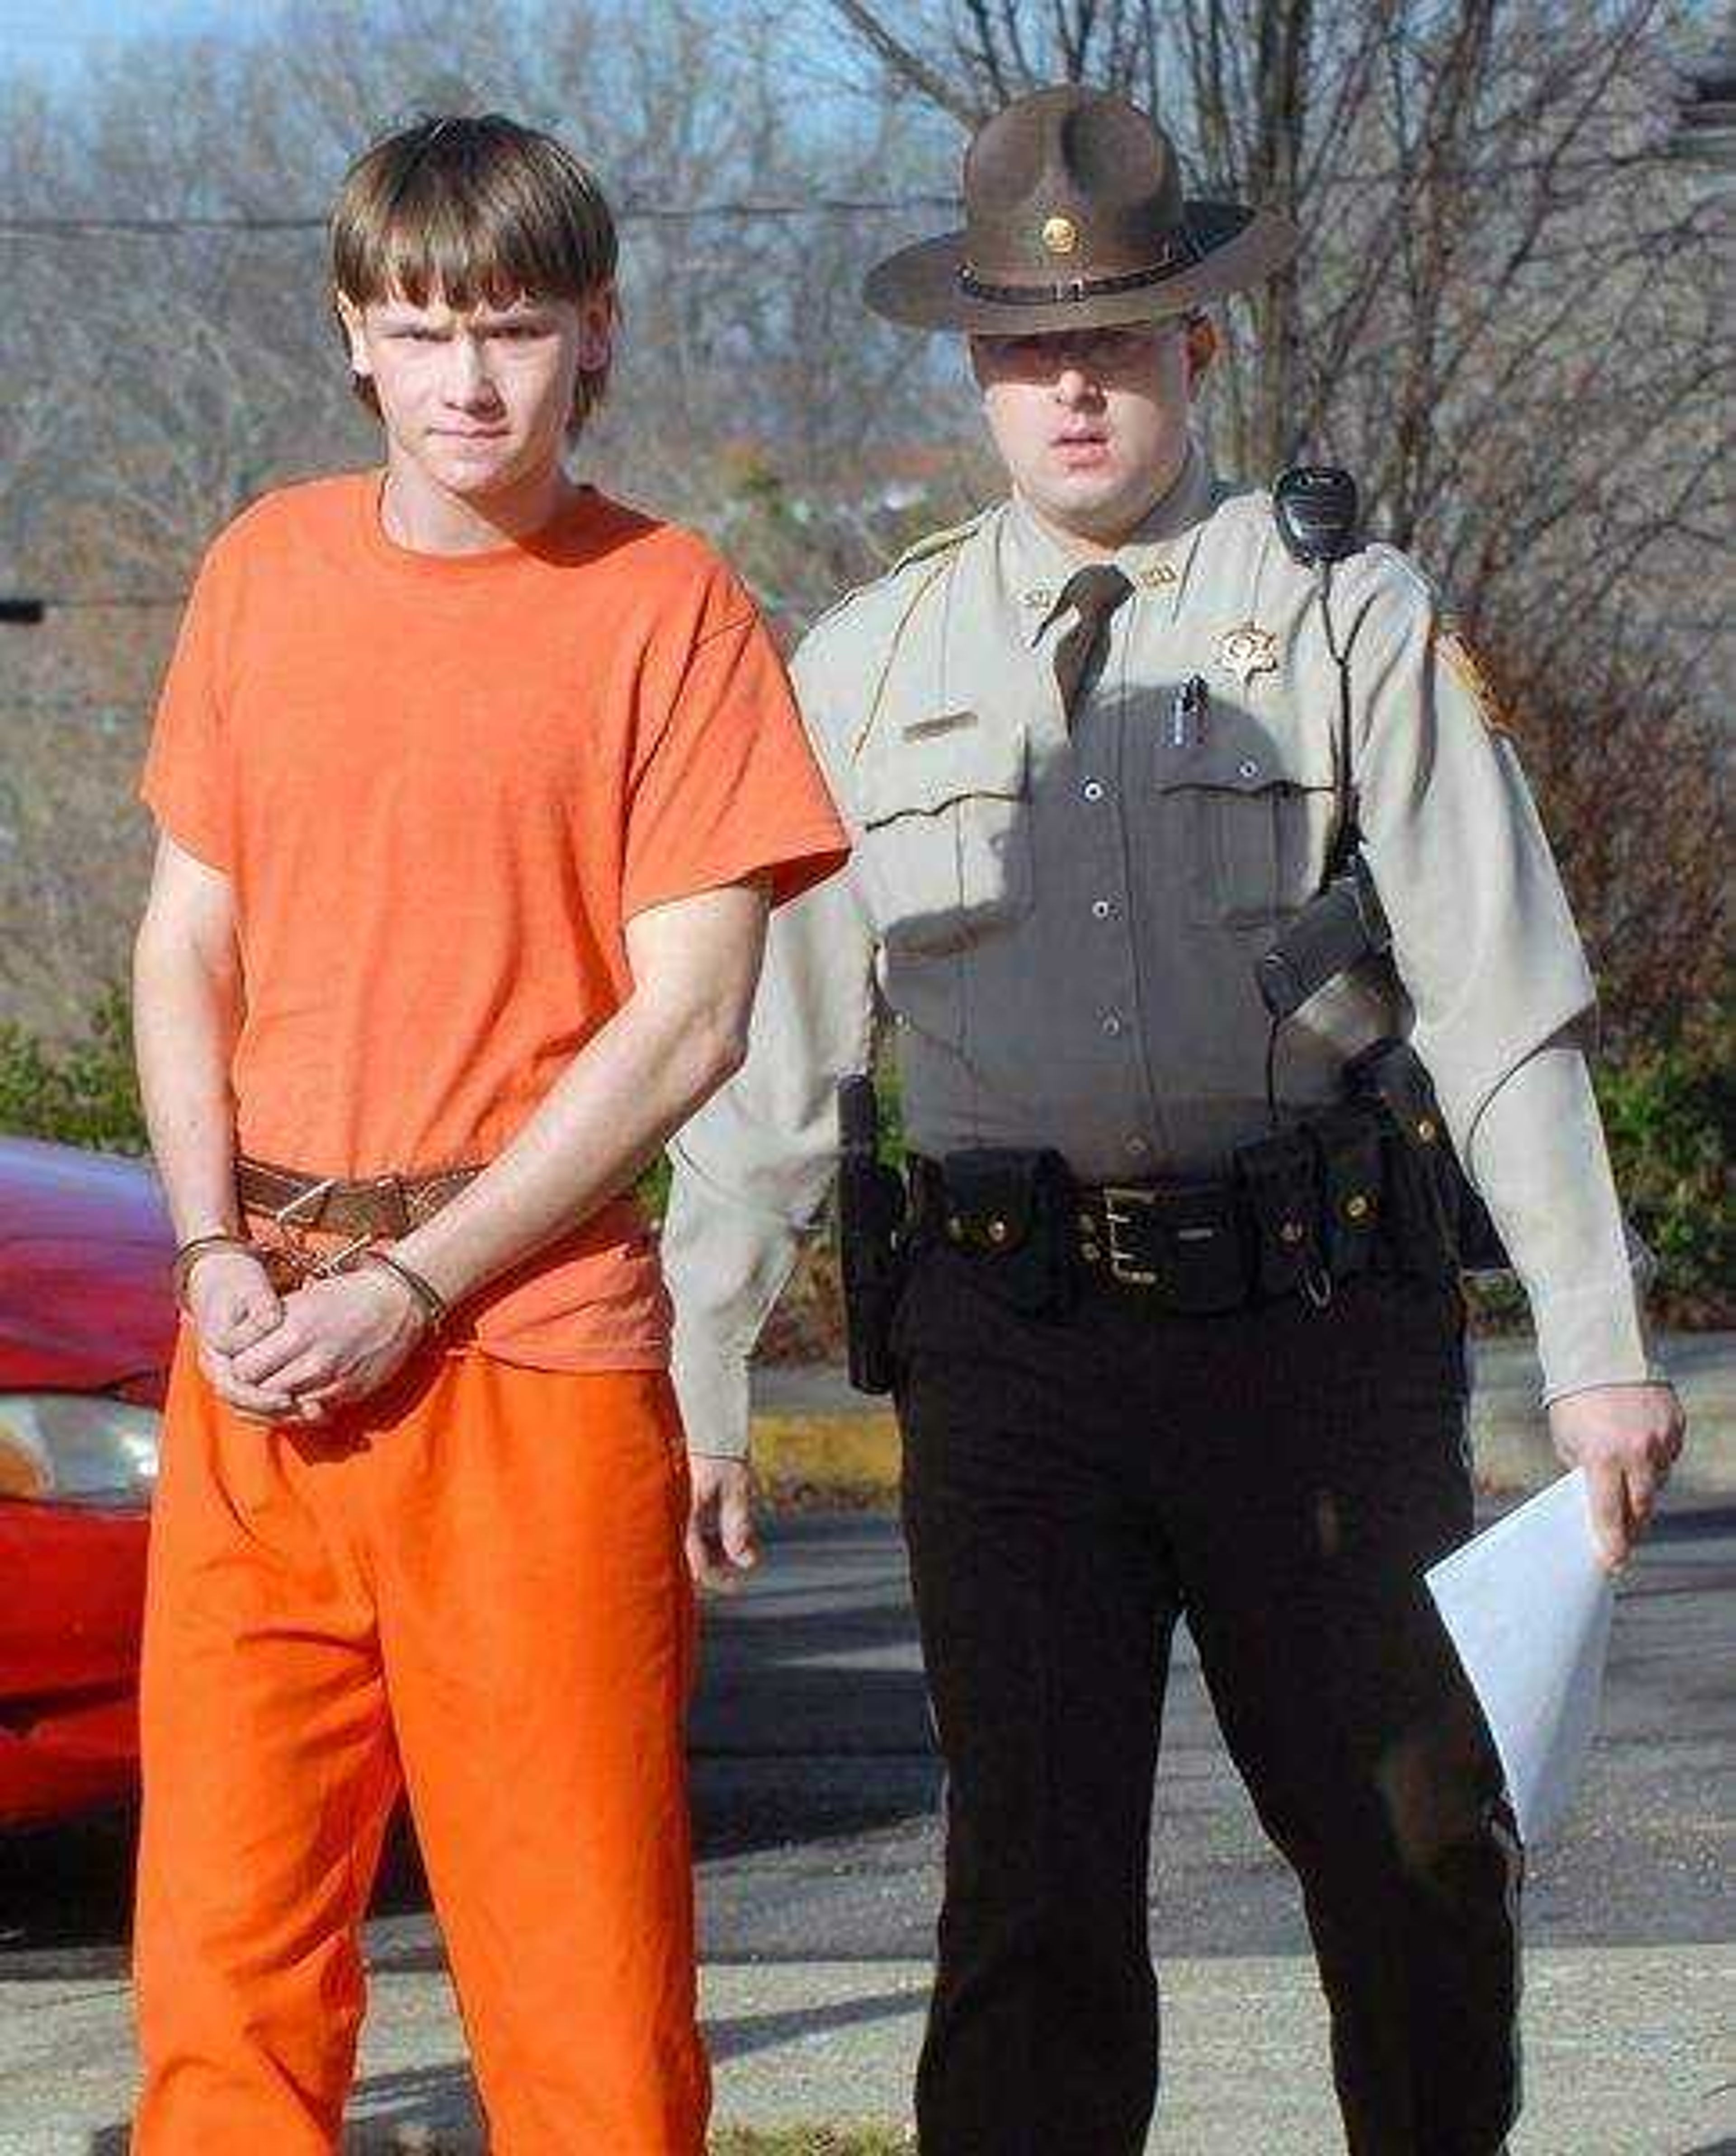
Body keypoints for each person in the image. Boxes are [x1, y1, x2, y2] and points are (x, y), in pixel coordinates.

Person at [662, 85, 1686, 2156]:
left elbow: (1501, 996)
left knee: (1411, 1846)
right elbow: (770, 1074)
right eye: (1030, 354)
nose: (1071, 392)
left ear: (1190, 350)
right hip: (1009, 1352)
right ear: (975, 370)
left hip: (1311, 1331)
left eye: (1113, 345)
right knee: (1028, 1900)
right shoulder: (859, 671)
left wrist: (1598, 1344)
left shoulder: (1350, 618)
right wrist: (699, 1377)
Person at [128, 111, 848, 2153]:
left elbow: (692, 1015)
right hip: (258, 1349)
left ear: (594, 332)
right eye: (424, 328)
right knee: (222, 1981)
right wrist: (206, 1256)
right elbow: (186, 946)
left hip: (527, 1344)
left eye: (516, 329)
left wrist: (420, 1279)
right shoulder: (260, 574)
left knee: (585, 2002)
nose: (469, 379)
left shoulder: (670, 606)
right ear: (356, 334)